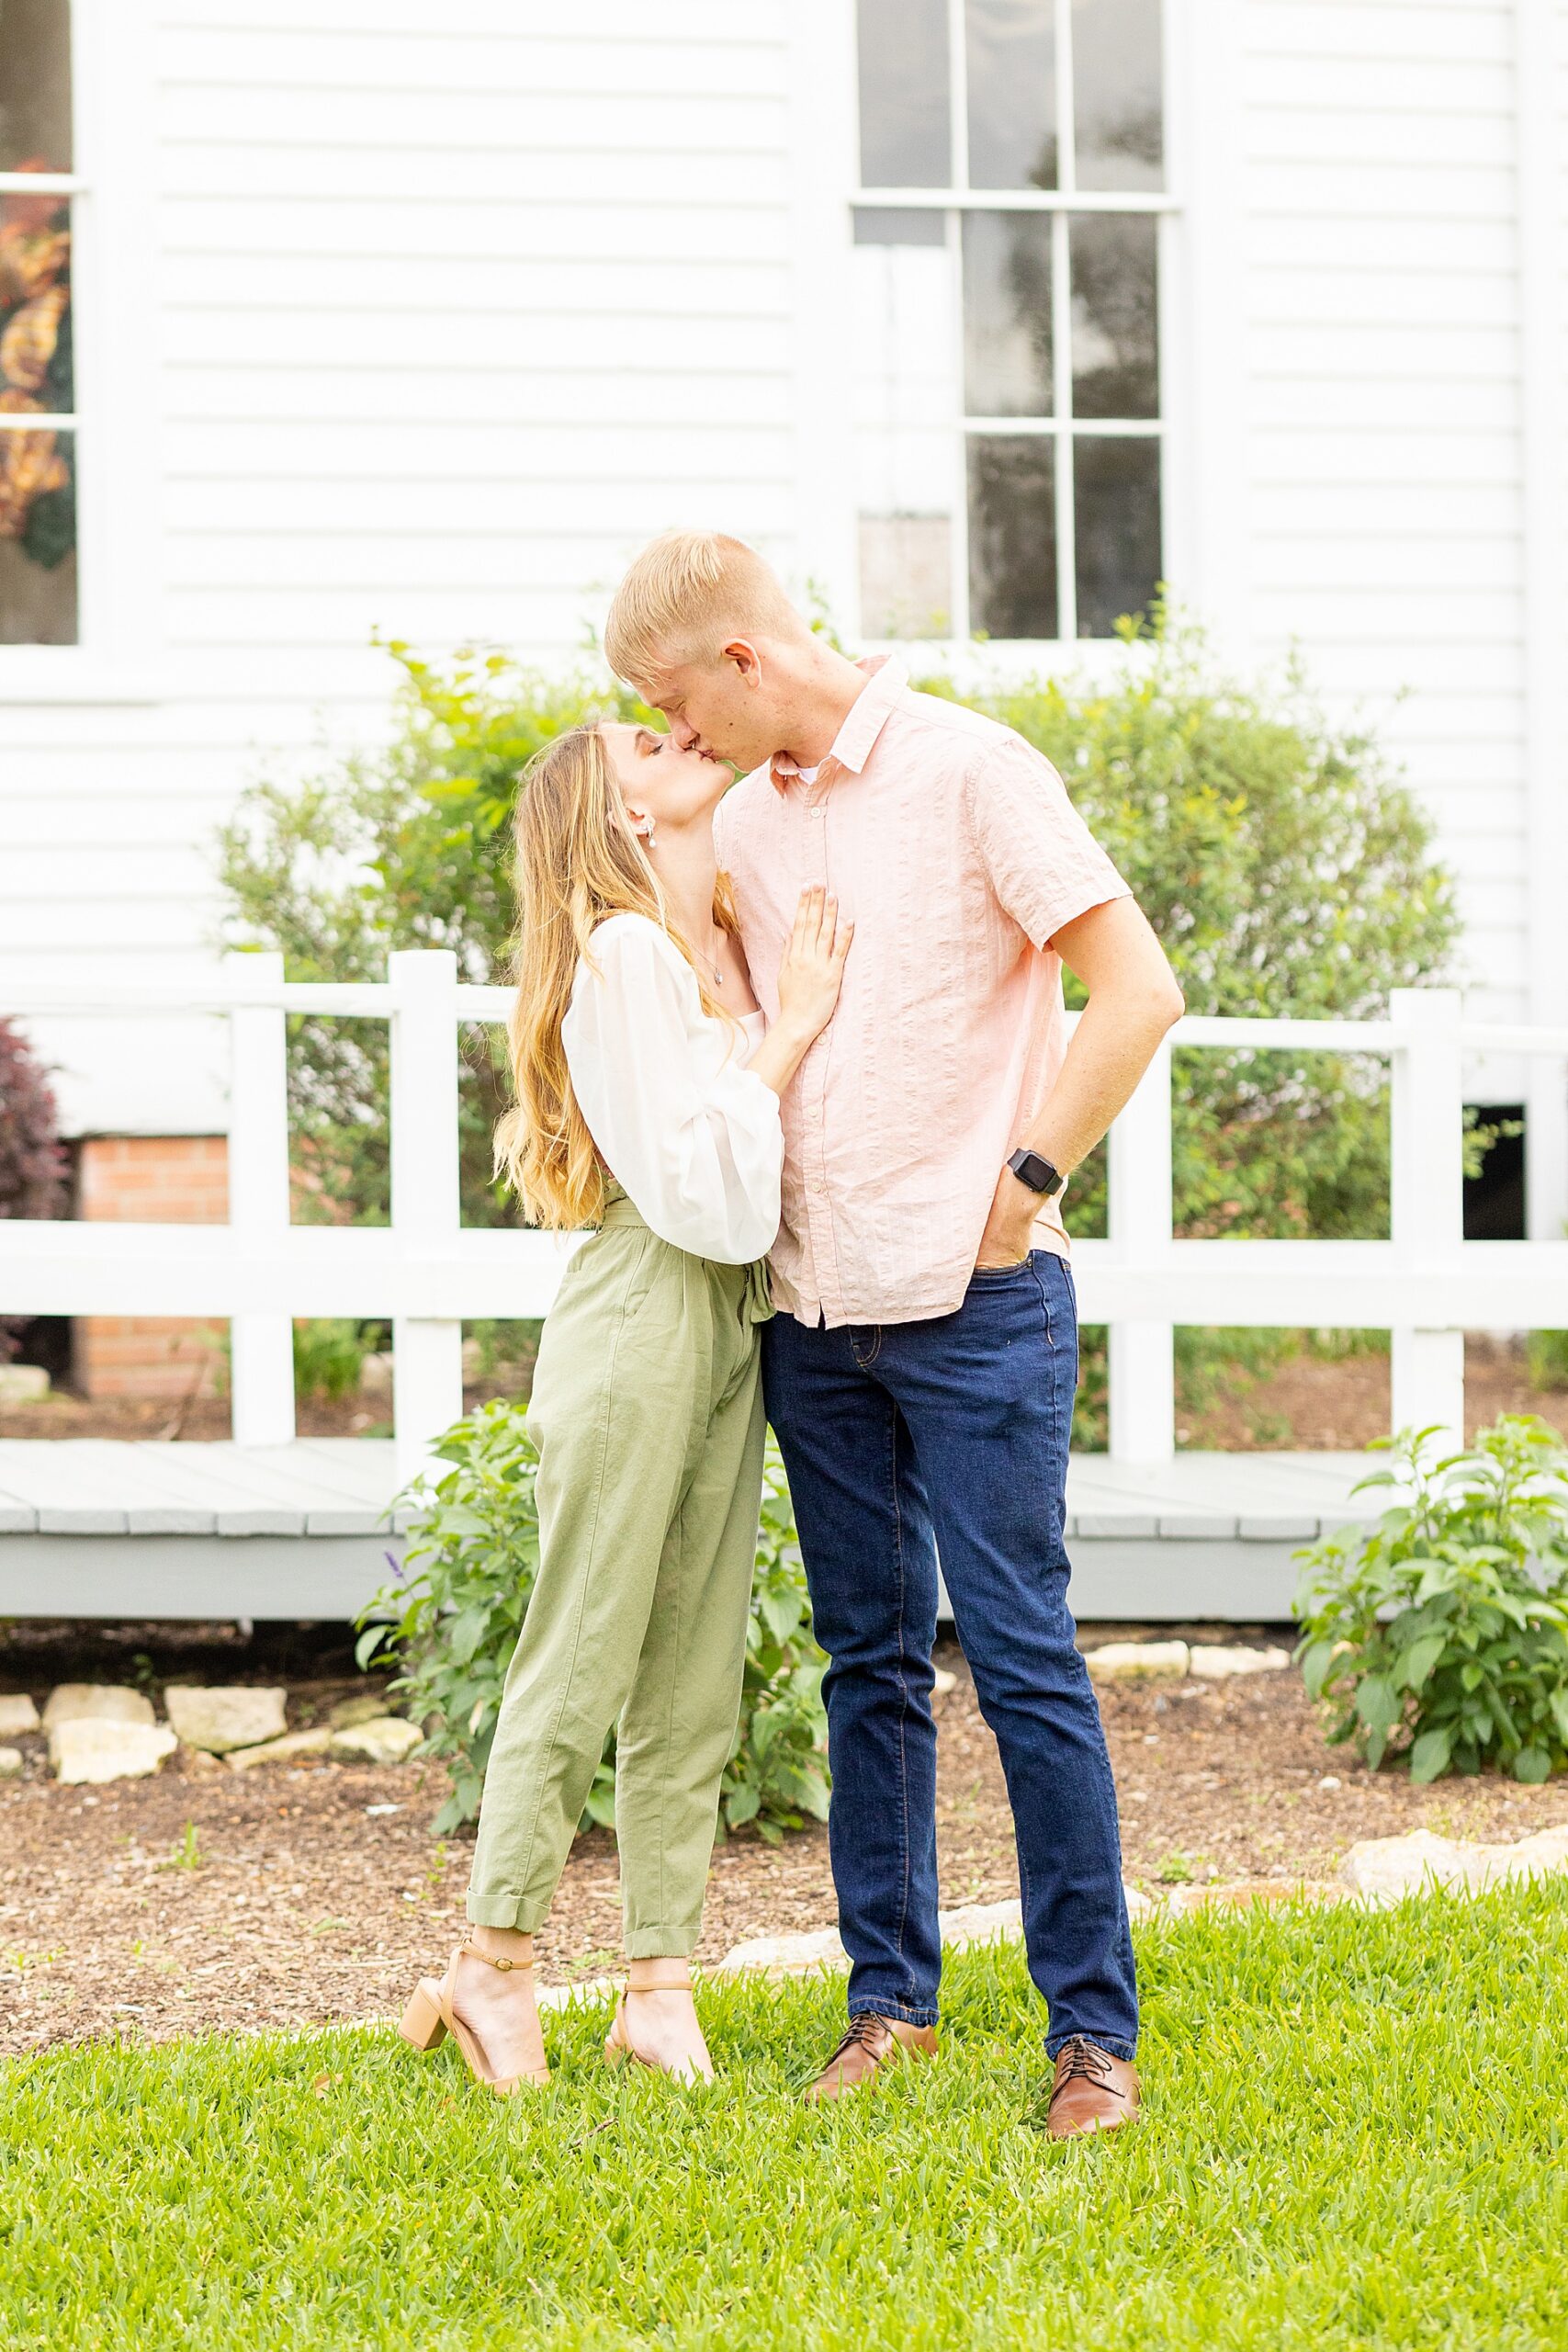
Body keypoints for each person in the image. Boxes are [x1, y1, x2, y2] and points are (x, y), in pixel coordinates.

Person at [604, 531, 1184, 2137]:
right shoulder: (744, 817)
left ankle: (1092, 2044)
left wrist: (1025, 1186)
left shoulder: (970, 768)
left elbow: (1136, 990)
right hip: (816, 1312)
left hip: (982, 1301)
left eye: (671, 706)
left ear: (740, 658)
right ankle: (891, 2010)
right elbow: (708, 1015)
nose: (669, 738)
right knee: (870, 1665)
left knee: (1023, 1666)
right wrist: (678, 823)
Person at [400, 718, 851, 2092]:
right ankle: (493, 1967)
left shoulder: (702, 933)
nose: (677, 738)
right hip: (648, 1302)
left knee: (692, 1665)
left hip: (727, 1312)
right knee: (585, 1639)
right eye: (643, 743)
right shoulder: (625, 955)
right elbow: (700, 1190)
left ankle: (660, 1987)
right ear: (625, 810)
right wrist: (791, 1040)